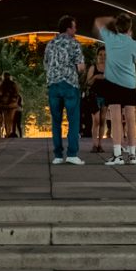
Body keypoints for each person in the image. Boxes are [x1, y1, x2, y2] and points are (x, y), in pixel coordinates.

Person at [96, 15, 136, 165]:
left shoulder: (110, 38)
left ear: (116, 26)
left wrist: (111, 19)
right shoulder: (134, 44)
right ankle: (132, 155)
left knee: (116, 119)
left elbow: (98, 21)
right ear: (130, 28)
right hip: (130, 84)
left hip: (113, 83)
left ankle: (118, 156)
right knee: (130, 119)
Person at [43, 18, 86, 166]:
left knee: (56, 121)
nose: (75, 30)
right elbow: (80, 67)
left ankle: (58, 155)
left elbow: (46, 64)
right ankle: (72, 154)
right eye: (74, 27)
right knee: (73, 120)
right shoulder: (74, 43)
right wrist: (80, 73)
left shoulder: (50, 44)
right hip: (69, 84)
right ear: (68, 29)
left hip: (53, 85)